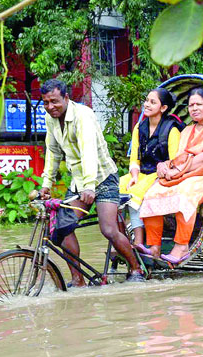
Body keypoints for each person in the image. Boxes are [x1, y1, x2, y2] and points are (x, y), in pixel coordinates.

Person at [38, 79, 145, 285]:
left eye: (54, 101)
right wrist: (46, 183)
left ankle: (136, 269)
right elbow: (52, 153)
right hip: (79, 181)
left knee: (108, 229)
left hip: (103, 178)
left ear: (66, 98)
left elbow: (89, 152)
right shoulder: (51, 119)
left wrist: (90, 185)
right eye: (45, 102)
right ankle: (78, 279)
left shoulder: (83, 116)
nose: (50, 107)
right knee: (63, 226)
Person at [138, 88, 203, 263]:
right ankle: (154, 245)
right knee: (151, 193)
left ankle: (182, 246)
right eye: (191, 105)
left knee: (184, 195)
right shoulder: (187, 130)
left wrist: (179, 170)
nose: (194, 108)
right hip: (182, 173)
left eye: (199, 104)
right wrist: (165, 166)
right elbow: (177, 158)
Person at [119, 88, 184, 249]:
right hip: (142, 173)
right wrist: (134, 175)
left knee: (138, 193)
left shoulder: (172, 129)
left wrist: (160, 173)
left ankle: (141, 241)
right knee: (113, 190)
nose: (146, 105)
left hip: (163, 175)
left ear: (163, 108)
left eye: (152, 102)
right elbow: (135, 157)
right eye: (146, 100)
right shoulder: (139, 127)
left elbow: (174, 160)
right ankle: (121, 239)